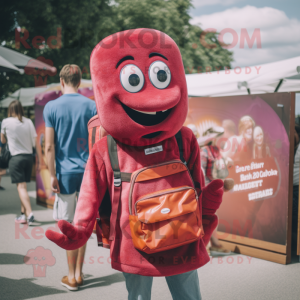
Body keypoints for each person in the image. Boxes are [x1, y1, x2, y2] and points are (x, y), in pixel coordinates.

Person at [46, 29, 225, 300]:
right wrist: (81, 229)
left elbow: (197, 186)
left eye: (161, 76)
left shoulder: (183, 138)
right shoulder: (106, 148)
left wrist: (207, 214)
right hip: (139, 245)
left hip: (181, 240)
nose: (152, 96)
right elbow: (89, 195)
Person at [43, 64, 97, 291]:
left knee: (68, 226)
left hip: (64, 174)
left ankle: (71, 276)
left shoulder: (51, 107)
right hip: (87, 173)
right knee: (82, 226)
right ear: (80, 80)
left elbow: (48, 146)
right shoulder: (92, 105)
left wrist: (52, 175)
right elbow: (98, 142)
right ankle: (79, 273)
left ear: (61, 81)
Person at [1, 100, 37, 224]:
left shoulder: (6, 121)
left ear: (10, 110)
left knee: (21, 187)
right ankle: (23, 215)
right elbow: (34, 142)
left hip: (15, 158)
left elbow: (3, 140)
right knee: (24, 187)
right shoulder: (28, 122)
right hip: (28, 158)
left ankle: (30, 213)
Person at [199, 126, 231, 256]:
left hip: (216, 187)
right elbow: (200, 172)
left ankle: (212, 244)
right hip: (206, 188)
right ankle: (207, 245)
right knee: (205, 218)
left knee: (211, 218)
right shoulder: (204, 152)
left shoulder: (217, 151)